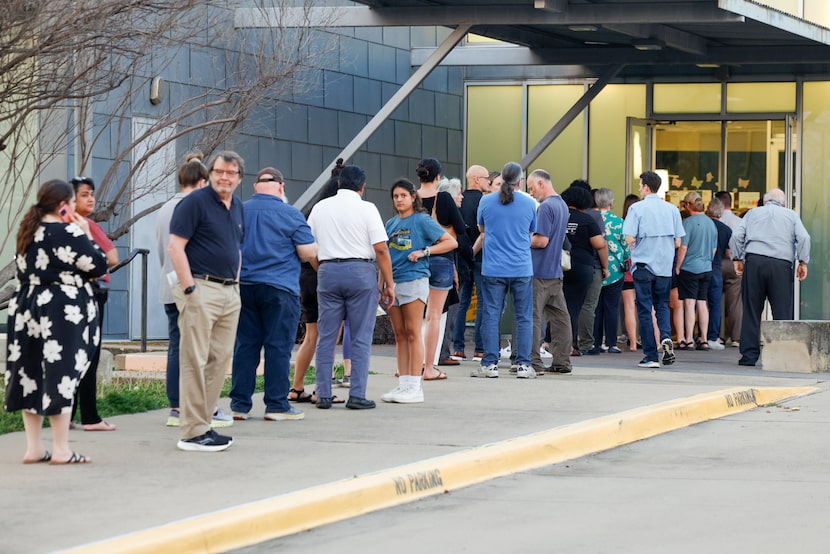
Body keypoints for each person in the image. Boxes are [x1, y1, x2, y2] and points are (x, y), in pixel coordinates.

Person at [6, 179, 108, 464]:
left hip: (27, 307)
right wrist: (86, 233)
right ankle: (62, 449)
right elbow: (98, 265)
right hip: (62, 309)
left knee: (30, 373)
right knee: (61, 373)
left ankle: (34, 447)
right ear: (64, 205)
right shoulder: (70, 232)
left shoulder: (28, 231)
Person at [167, 151, 245, 451]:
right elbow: (175, 247)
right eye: (219, 171)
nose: (225, 177)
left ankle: (204, 425)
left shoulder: (237, 207)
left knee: (219, 361)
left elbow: (236, 248)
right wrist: (190, 291)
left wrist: (235, 286)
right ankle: (191, 432)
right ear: (210, 174)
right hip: (200, 288)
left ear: (239, 177)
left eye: (231, 172)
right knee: (194, 360)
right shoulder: (194, 203)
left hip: (229, 292)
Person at [229, 167, 317, 421]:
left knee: (245, 346)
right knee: (278, 347)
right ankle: (277, 405)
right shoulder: (291, 214)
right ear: (281, 187)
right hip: (280, 288)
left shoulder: (238, 211)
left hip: (243, 287)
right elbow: (307, 252)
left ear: (256, 187)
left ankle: (239, 405)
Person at [307, 164, 395, 410]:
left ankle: (323, 393)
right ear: (362, 186)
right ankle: (356, 394)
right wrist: (389, 283)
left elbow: (308, 247)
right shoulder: (367, 208)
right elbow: (380, 249)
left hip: (328, 271)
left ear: (338, 183)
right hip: (360, 272)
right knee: (360, 336)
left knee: (326, 336)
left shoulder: (320, 208)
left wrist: (321, 268)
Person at [156, 153, 232, 428]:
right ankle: (200, 408)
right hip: (193, 287)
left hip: (168, 285)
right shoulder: (196, 207)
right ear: (202, 182)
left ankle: (176, 406)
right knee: (201, 351)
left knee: (177, 348)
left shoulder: (165, 208)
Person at [382, 179, 457, 403]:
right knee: (400, 335)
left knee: (413, 332)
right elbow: (383, 254)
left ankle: (415, 385)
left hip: (414, 280)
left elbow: (450, 242)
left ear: (413, 197)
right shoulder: (390, 224)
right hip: (393, 283)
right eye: (396, 196)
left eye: (403, 195)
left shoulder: (422, 220)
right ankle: (403, 384)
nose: (399, 200)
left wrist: (425, 252)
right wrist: (383, 283)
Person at [729, 188, 810, 366]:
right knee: (782, 312)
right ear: (784, 203)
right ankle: (782, 356)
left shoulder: (752, 213)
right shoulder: (791, 215)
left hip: (754, 262)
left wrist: (737, 258)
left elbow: (736, 236)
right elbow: (804, 237)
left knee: (751, 310)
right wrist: (803, 262)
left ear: (765, 202)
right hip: (781, 265)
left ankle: (749, 356)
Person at [472, 162, 537, 379]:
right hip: (521, 266)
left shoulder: (486, 200)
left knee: (491, 314)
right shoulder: (529, 203)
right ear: (520, 181)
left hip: (493, 266)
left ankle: (490, 364)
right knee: (523, 316)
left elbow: (482, 229)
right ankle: (523, 365)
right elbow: (531, 232)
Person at [69, 176, 119, 432]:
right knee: (89, 353)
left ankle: (68, 415)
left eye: (92, 194)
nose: (91, 199)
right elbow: (112, 257)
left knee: (70, 354)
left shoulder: (56, 226)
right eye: (84, 195)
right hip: (91, 291)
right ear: (70, 200)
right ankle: (90, 417)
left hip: (71, 295)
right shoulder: (85, 225)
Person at [623, 171, 685, 369]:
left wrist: (638, 243)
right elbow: (678, 242)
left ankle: (651, 355)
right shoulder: (672, 210)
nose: (639, 189)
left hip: (643, 266)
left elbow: (629, 237)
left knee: (644, 309)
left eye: (640, 185)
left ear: (647, 187)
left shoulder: (637, 208)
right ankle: (666, 337)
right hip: (664, 267)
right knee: (661, 306)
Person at [415, 158, 466, 380]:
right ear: (438, 177)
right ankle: (429, 367)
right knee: (434, 315)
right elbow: (461, 229)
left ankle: (408, 364)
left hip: (414, 260)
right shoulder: (443, 198)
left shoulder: (410, 197)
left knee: (415, 316)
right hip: (441, 259)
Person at [526, 169, 572, 375]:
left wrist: (522, 239)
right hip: (555, 272)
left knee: (533, 318)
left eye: (532, 188)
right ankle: (562, 361)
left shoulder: (545, 208)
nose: (531, 192)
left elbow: (541, 240)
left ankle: (534, 363)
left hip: (538, 271)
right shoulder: (562, 204)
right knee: (561, 319)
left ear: (541, 183)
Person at [560, 186, 607, 357]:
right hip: (581, 267)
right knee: (575, 306)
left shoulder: (560, 216)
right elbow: (599, 244)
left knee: (557, 306)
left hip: (559, 266)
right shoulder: (587, 219)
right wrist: (605, 268)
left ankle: (553, 342)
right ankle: (572, 345)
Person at [451, 165, 489, 362]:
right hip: (481, 257)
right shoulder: (484, 201)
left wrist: (466, 254)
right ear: (476, 178)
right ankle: (480, 348)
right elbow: (484, 232)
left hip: (462, 257)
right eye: (486, 178)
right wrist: (474, 252)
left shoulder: (459, 200)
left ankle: (457, 347)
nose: (488, 182)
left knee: (462, 302)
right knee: (482, 302)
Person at [675, 191, 717, 351]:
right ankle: (704, 339)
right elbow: (713, 249)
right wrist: (707, 261)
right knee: (702, 302)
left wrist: (678, 266)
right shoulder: (710, 223)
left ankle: (689, 339)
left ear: (688, 205)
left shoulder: (688, 223)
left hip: (690, 268)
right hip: (706, 267)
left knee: (689, 303)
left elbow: (683, 247)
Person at [593, 188, 629, 354]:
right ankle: (612, 343)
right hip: (615, 271)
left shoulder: (592, 219)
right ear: (611, 203)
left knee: (596, 307)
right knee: (612, 307)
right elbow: (626, 247)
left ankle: (596, 342)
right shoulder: (619, 222)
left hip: (596, 267)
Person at [715, 190, 743, 346]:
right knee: (735, 302)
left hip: (717, 263)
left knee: (715, 300)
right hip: (734, 263)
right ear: (730, 203)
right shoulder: (739, 221)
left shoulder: (713, 220)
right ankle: (736, 337)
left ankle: (715, 335)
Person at [704, 198, 732, 350]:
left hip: (699, 266)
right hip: (716, 268)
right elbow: (728, 253)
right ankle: (712, 337)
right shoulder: (726, 230)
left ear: (708, 210)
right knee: (715, 305)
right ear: (721, 212)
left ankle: (696, 335)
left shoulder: (703, 225)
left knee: (697, 303)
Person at [620, 194, 641, 351]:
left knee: (629, 306)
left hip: (627, 268)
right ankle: (650, 340)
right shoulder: (643, 223)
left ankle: (632, 342)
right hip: (642, 266)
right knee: (647, 306)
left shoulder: (622, 224)